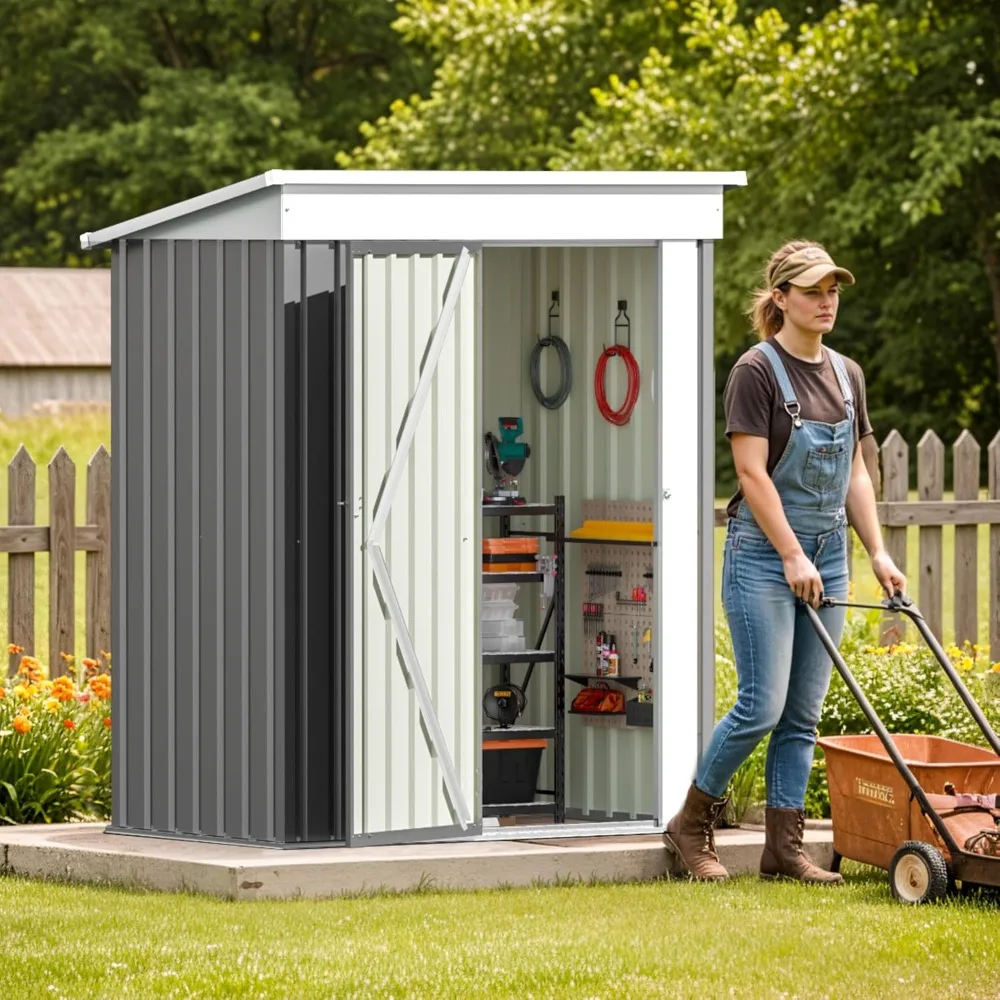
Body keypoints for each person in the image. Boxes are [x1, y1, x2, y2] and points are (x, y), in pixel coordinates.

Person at [664, 240, 906, 884]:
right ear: (781, 297)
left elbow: (856, 472)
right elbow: (751, 473)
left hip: (828, 556)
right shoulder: (757, 371)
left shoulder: (847, 374)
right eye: (812, 292)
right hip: (764, 558)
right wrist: (792, 554)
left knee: (802, 712)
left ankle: (783, 850)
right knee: (761, 705)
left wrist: (878, 552)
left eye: (833, 291)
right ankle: (690, 825)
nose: (826, 302)